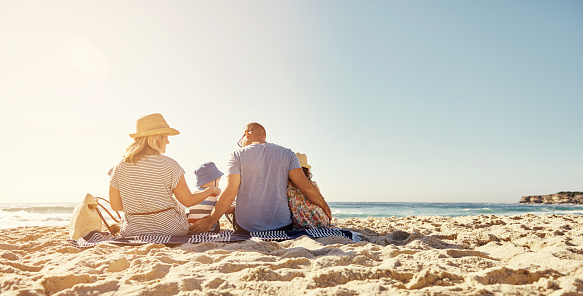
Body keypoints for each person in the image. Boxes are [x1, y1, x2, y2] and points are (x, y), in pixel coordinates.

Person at [191, 122, 332, 233]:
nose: (240, 144)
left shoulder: (237, 155)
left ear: (246, 133)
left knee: (232, 206)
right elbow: (305, 186)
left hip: (246, 228)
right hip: (282, 227)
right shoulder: (288, 154)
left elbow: (230, 191)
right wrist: (325, 206)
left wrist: (210, 220)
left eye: (241, 140)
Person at [108, 113, 221, 236]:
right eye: (166, 137)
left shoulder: (119, 166)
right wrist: (210, 190)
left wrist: (142, 204)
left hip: (133, 231)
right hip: (171, 230)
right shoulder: (170, 165)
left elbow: (116, 206)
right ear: (157, 138)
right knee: (178, 204)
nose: (168, 141)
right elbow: (188, 201)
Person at [287, 153, 331, 229]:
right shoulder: (313, 185)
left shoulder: (287, 187)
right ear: (306, 171)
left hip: (299, 224)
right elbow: (320, 200)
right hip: (320, 221)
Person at [188, 162, 224, 233]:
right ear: (213, 179)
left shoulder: (194, 194)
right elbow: (224, 209)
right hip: (209, 229)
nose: (219, 183)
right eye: (219, 180)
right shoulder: (214, 195)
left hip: (193, 228)